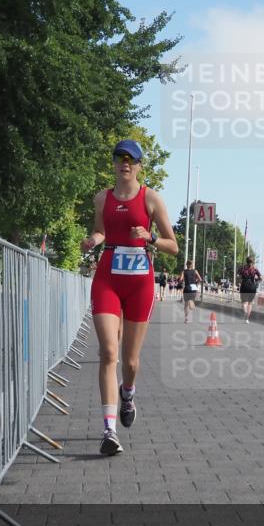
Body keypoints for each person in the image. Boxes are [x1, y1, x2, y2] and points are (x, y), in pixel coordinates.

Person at [81, 139, 178, 456]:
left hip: (139, 283)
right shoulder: (101, 199)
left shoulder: (150, 198)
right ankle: (109, 430)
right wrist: (92, 240)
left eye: (131, 159)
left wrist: (149, 236)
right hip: (108, 279)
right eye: (120, 158)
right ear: (113, 163)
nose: (125, 163)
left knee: (131, 360)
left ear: (139, 166)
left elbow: (173, 246)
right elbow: (101, 231)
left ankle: (128, 391)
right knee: (109, 352)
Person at [237, 256, 263, 323]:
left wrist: (240, 279)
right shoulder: (255, 269)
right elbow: (261, 278)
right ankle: (247, 319)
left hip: (244, 286)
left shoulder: (242, 268)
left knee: (244, 303)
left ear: (246, 261)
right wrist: (256, 280)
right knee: (250, 303)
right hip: (252, 286)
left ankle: (245, 313)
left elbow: (238, 276)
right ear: (253, 262)